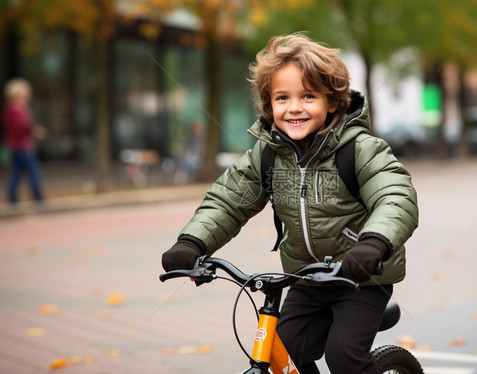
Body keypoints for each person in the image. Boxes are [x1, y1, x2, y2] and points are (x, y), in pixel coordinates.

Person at [162, 34, 419, 374]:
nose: (294, 107)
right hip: (304, 280)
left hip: (360, 279)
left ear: (332, 103)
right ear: (269, 106)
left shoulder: (359, 149)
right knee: (282, 353)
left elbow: (395, 197)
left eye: (308, 96)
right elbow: (228, 200)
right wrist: (192, 241)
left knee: (344, 357)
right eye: (282, 97)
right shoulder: (268, 155)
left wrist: (374, 243)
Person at [2, 78, 48, 205]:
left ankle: (13, 199)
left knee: (16, 172)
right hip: (23, 145)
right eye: (26, 90)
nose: (29, 92)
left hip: (15, 145)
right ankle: (38, 198)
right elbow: (22, 126)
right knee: (33, 170)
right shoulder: (17, 108)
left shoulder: (10, 108)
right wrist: (35, 130)